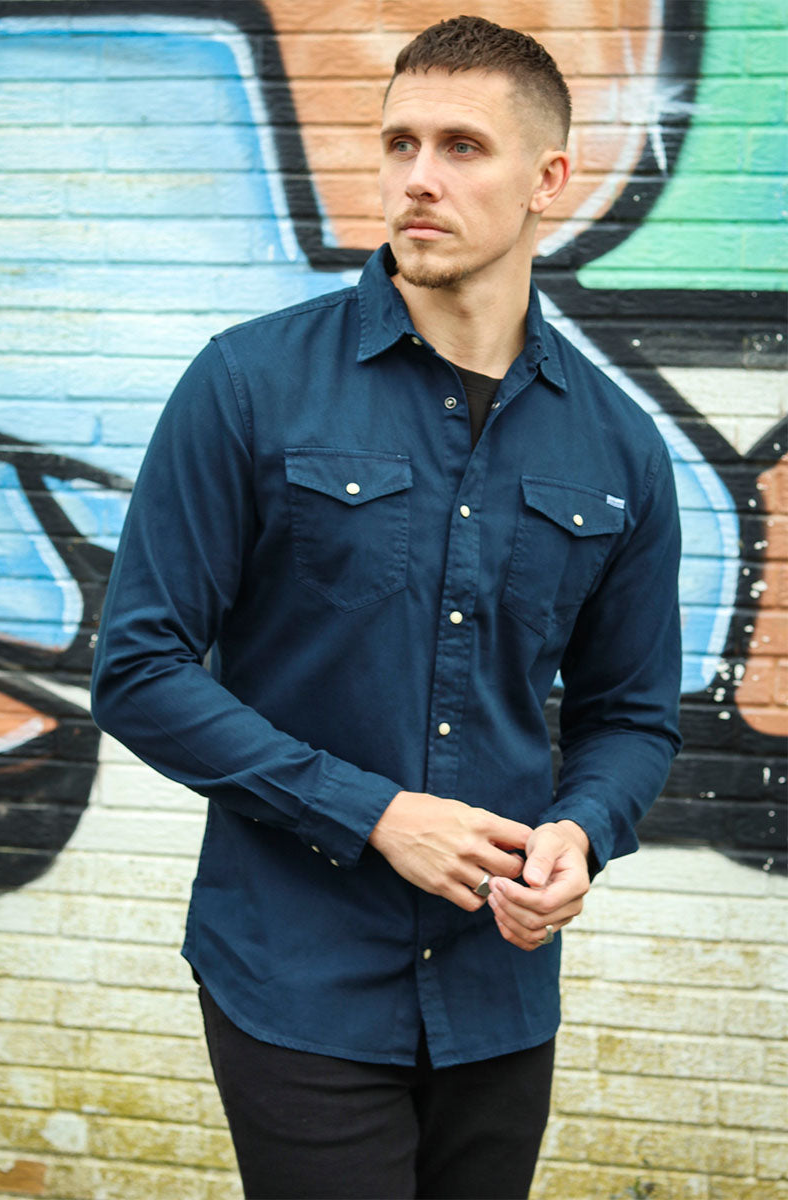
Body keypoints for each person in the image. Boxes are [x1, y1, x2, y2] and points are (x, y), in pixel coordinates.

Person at [91, 15, 682, 1200]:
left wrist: (580, 833)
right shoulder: (248, 384)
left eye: (461, 147)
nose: (417, 178)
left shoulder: (620, 447)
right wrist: (374, 817)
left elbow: (628, 716)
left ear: (547, 181)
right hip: (295, 979)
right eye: (398, 142)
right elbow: (140, 670)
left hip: (497, 995)